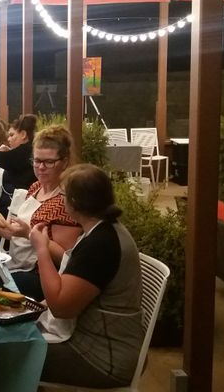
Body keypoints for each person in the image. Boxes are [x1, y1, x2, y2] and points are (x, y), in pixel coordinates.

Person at [29, 163, 143, 388]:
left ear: (74, 203)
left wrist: (42, 249)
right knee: (9, 337)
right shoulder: (101, 230)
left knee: (4, 352)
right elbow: (67, 288)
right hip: (99, 343)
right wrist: (29, 310)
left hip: (100, 357)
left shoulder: (101, 244)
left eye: (63, 195)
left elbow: (61, 308)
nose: (61, 200)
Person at [0, 125, 81, 300]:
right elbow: (21, 234)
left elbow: (64, 259)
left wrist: (28, 234)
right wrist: (5, 230)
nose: (41, 167)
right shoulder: (36, 187)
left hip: (40, 276)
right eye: (36, 160)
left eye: (48, 162)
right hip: (17, 263)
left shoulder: (66, 201)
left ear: (65, 162)